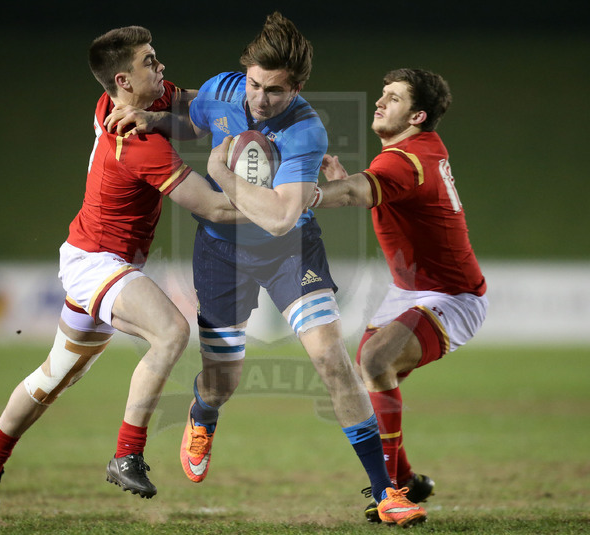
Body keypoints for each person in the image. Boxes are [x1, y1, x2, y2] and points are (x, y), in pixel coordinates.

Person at [105, 13, 426, 528]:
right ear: (245, 75)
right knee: (222, 381)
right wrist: (156, 121)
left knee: (331, 359)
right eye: (255, 84)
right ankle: (203, 415)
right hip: (221, 253)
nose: (259, 100)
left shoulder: (305, 130)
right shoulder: (225, 90)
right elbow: (193, 119)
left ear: (295, 88)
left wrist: (219, 174)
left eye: (274, 92)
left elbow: (280, 218)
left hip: (290, 250)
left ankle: (385, 490)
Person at [0, 25, 243, 512]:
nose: (161, 67)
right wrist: (283, 205)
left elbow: (196, 115)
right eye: (149, 62)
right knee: (171, 332)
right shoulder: (135, 140)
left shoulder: (133, 102)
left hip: (96, 257)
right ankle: (127, 454)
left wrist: (238, 105)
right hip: (97, 263)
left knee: (56, 374)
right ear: (123, 81)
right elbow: (212, 208)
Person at [314, 68, 488, 522]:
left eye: (392, 98)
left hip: (452, 297)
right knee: (368, 375)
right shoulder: (417, 151)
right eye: (381, 94)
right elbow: (373, 189)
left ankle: (389, 491)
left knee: (374, 363)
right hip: (410, 290)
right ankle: (405, 480)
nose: (379, 102)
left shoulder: (405, 159)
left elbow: (356, 193)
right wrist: (346, 180)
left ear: (418, 114)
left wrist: (301, 195)